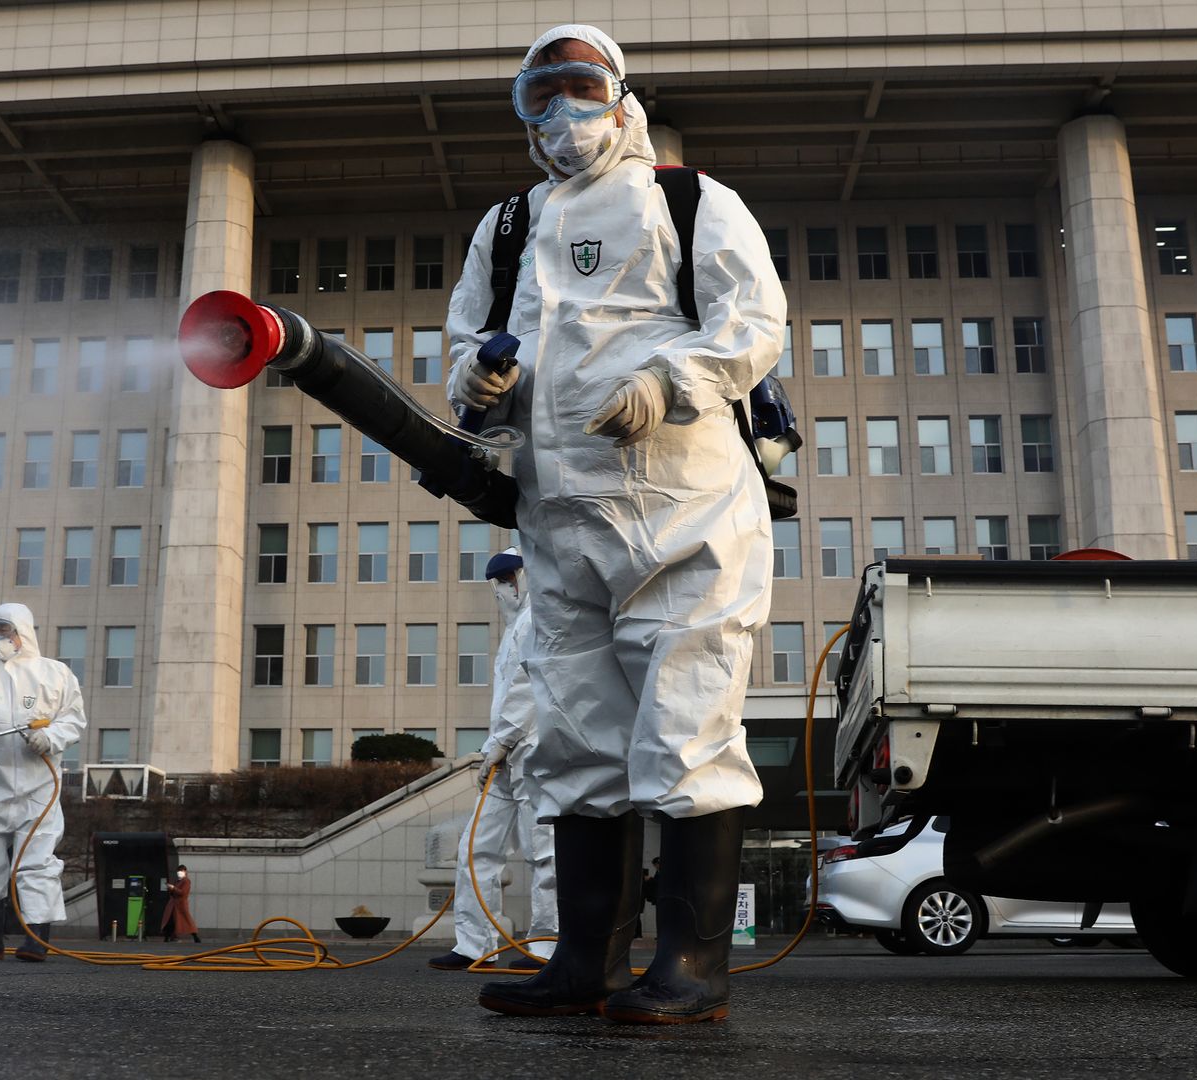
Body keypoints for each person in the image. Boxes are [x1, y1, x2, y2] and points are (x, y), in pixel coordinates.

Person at [445, 24, 784, 1024]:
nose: (560, 117)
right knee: (578, 740)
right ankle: (583, 960)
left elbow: (755, 321)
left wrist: (670, 382)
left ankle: (691, 965)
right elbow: (468, 347)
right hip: (561, 522)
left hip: (685, 513)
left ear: (621, 96)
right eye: (538, 99)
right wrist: (480, 382)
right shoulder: (508, 226)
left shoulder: (689, 199)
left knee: (683, 733)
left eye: (577, 91)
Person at [429, 549, 558, 973]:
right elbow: (505, 697)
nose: (502, 588)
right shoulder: (513, 629)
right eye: (497, 581)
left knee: (543, 853)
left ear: (525, 575)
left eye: (507, 578)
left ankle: (546, 946)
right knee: (474, 848)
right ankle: (474, 945)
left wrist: (502, 740)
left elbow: (529, 688)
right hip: (505, 755)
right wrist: (491, 750)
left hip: (534, 752)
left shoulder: (541, 617)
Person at [0, 602, 86, 962]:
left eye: (4, 630)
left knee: (36, 864)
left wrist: (51, 738)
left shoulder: (55, 674)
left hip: (37, 788)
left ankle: (36, 940)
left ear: (22, 632)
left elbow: (73, 720)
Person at [158, 865, 200, 944]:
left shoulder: (186, 881)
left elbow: (183, 892)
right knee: (171, 921)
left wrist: (173, 888)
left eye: (181, 871)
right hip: (174, 904)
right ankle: (168, 937)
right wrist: (171, 888)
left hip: (180, 904)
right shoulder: (178, 881)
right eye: (178, 871)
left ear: (185, 872)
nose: (179, 873)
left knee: (186, 921)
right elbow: (174, 892)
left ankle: (195, 936)